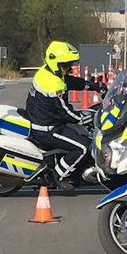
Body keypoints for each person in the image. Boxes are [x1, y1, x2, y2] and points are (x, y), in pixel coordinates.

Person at [25, 40, 105, 186]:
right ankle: (56, 177)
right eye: (65, 65)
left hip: (45, 120)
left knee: (80, 134)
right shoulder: (52, 84)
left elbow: (69, 81)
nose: (68, 68)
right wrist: (85, 118)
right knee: (82, 147)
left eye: (70, 65)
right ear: (56, 63)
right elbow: (65, 113)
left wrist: (92, 86)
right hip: (48, 129)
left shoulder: (47, 72)